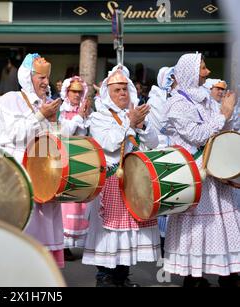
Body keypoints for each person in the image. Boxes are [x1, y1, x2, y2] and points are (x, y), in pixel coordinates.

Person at [163, 53, 240, 287]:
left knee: (224, 222)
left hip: (213, 172)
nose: (207, 73)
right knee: (196, 225)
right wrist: (223, 113)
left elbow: (219, 129)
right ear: (188, 72)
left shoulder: (204, 97)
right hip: (193, 174)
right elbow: (197, 136)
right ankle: (194, 276)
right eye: (203, 68)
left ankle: (228, 273)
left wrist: (227, 112)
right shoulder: (177, 103)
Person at [82, 66, 160, 287]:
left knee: (129, 231)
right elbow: (108, 143)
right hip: (111, 180)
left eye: (125, 89)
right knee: (109, 231)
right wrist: (129, 123)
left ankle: (121, 276)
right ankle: (104, 276)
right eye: (117, 90)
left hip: (134, 181)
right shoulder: (99, 117)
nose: (123, 93)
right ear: (108, 93)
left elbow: (153, 142)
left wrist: (141, 124)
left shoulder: (135, 113)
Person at [0, 53, 64, 267]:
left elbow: (56, 140)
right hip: (19, 175)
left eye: (47, 78)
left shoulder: (49, 103)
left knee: (43, 229)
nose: (45, 82)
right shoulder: (11, 100)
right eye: (40, 78)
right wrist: (40, 116)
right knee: (24, 226)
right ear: (28, 78)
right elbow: (13, 134)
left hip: (44, 173)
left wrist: (53, 122)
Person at [58, 76, 91, 261]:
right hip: (64, 160)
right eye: (74, 91)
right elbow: (64, 133)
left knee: (79, 203)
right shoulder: (61, 111)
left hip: (80, 159)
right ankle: (62, 245)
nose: (77, 95)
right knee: (65, 204)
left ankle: (72, 244)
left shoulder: (84, 111)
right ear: (67, 92)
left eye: (79, 91)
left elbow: (85, 135)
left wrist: (84, 117)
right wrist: (79, 118)